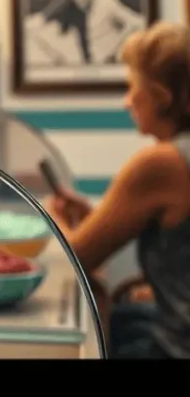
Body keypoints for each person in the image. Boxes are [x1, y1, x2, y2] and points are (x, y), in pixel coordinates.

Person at [47, 22, 190, 359]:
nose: (127, 101)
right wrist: (99, 220)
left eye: (132, 86)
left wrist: (53, 219)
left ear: (161, 94)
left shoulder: (162, 163)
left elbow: (76, 258)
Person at [28, 0, 145, 65]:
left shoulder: (107, 2)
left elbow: (138, 23)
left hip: (110, 63)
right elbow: (34, 27)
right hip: (86, 65)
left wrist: (116, 51)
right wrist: (56, 57)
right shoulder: (69, 6)